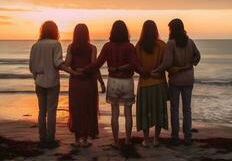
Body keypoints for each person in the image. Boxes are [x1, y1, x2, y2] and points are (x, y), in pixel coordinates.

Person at [83, 20, 144, 147]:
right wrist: (146, 72)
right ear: (125, 32)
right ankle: (127, 140)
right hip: (127, 82)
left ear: (112, 32)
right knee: (128, 113)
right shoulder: (129, 47)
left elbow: (97, 64)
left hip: (113, 82)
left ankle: (116, 142)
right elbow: (135, 65)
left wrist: (84, 69)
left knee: (114, 113)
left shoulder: (107, 46)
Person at [29, 20, 81, 148]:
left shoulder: (35, 45)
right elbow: (58, 63)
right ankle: (51, 139)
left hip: (39, 81)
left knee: (42, 111)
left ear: (42, 30)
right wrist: (72, 72)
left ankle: (42, 138)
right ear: (55, 31)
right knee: (51, 111)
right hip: (52, 82)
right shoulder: (55, 44)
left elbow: (31, 66)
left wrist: (36, 77)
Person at [152, 18, 200, 146]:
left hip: (176, 80)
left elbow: (166, 63)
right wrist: (189, 64)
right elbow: (198, 56)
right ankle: (188, 138)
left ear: (172, 29)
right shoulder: (190, 42)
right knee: (187, 109)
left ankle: (175, 137)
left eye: (170, 28)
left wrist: (156, 70)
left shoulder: (171, 43)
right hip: (189, 79)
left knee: (174, 109)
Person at [65, 23, 101, 147]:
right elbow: (94, 66)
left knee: (75, 110)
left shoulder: (71, 47)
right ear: (87, 34)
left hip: (75, 82)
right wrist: (101, 82)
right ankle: (84, 140)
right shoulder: (92, 48)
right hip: (88, 82)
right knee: (87, 109)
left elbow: (67, 63)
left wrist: (74, 70)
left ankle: (76, 139)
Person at [135, 20, 168, 147]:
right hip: (158, 83)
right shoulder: (161, 45)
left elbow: (137, 66)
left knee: (145, 112)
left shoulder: (138, 46)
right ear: (156, 30)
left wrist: (147, 73)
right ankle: (156, 139)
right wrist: (155, 72)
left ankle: (146, 139)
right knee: (158, 111)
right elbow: (165, 64)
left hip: (144, 85)